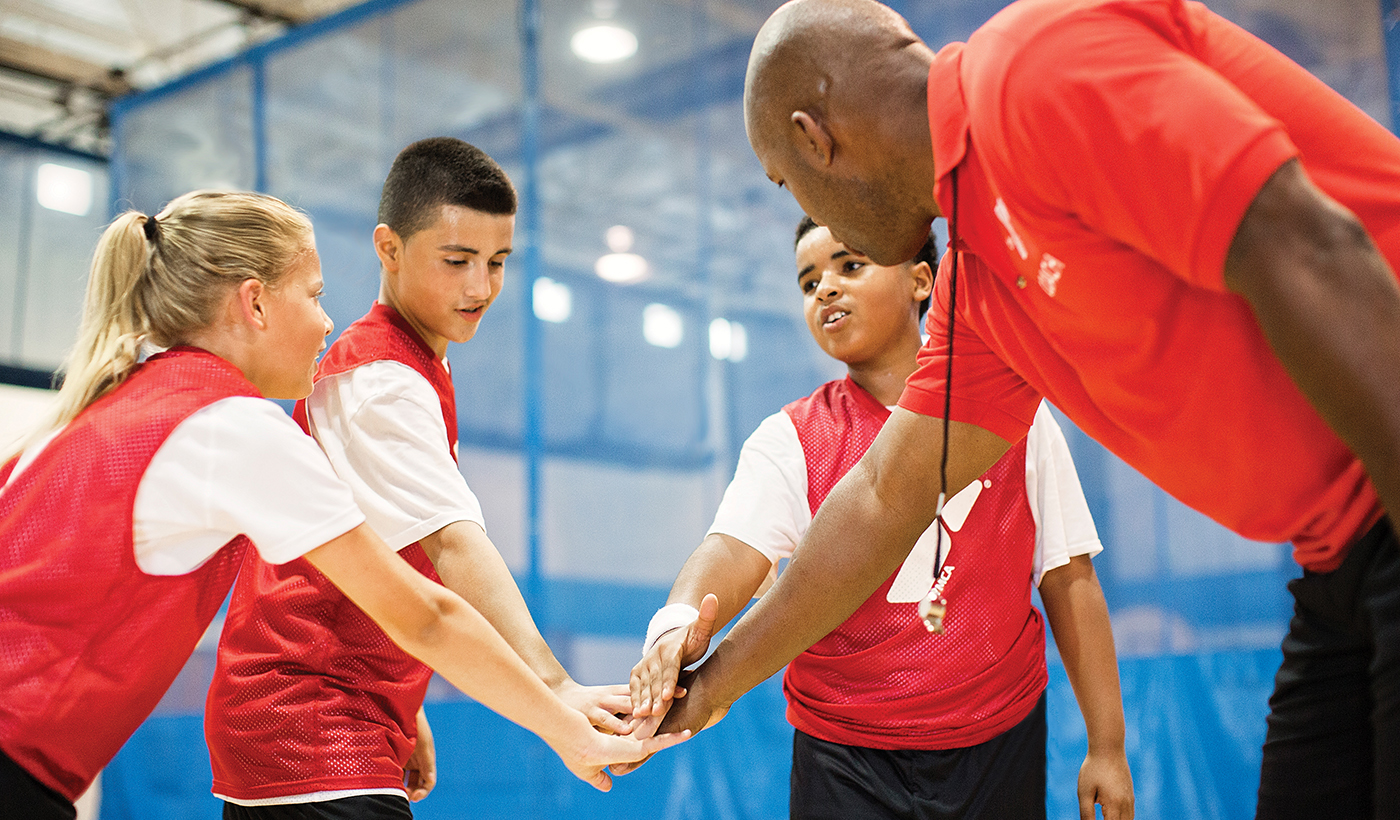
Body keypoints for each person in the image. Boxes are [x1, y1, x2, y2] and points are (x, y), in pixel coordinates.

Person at [654, 1, 1400, 819]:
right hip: (1339, 563)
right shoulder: (983, 299)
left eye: (785, 179)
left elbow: (1307, 243)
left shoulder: (1030, 69)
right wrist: (711, 685)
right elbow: (881, 497)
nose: (803, 210)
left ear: (814, 138)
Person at [0, 191, 684, 820]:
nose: (326, 319)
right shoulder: (235, 422)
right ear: (255, 304)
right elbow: (426, 610)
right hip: (57, 759)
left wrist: (389, 691)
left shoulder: (92, 413)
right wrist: (561, 719)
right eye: (314, 293)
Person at [629, 217, 1132, 820]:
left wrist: (1107, 745)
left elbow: (1068, 575)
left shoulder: (1018, 417)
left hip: (999, 740)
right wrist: (679, 617)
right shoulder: (791, 437)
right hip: (843, 755)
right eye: (809, 281)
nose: (825, 289)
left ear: (922, 281)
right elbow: (732, 549)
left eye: (850, 265)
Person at [204, 138, 636, 819]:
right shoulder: (379, 383)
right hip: (311, 729)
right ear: (389, 249)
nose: (480, 287)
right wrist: (557, 693)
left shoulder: (404, 367)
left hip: (309, 719)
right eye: (457, 260)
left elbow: (360, 557)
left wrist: (401, 700)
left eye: (496, 263)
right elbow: (453, 552)